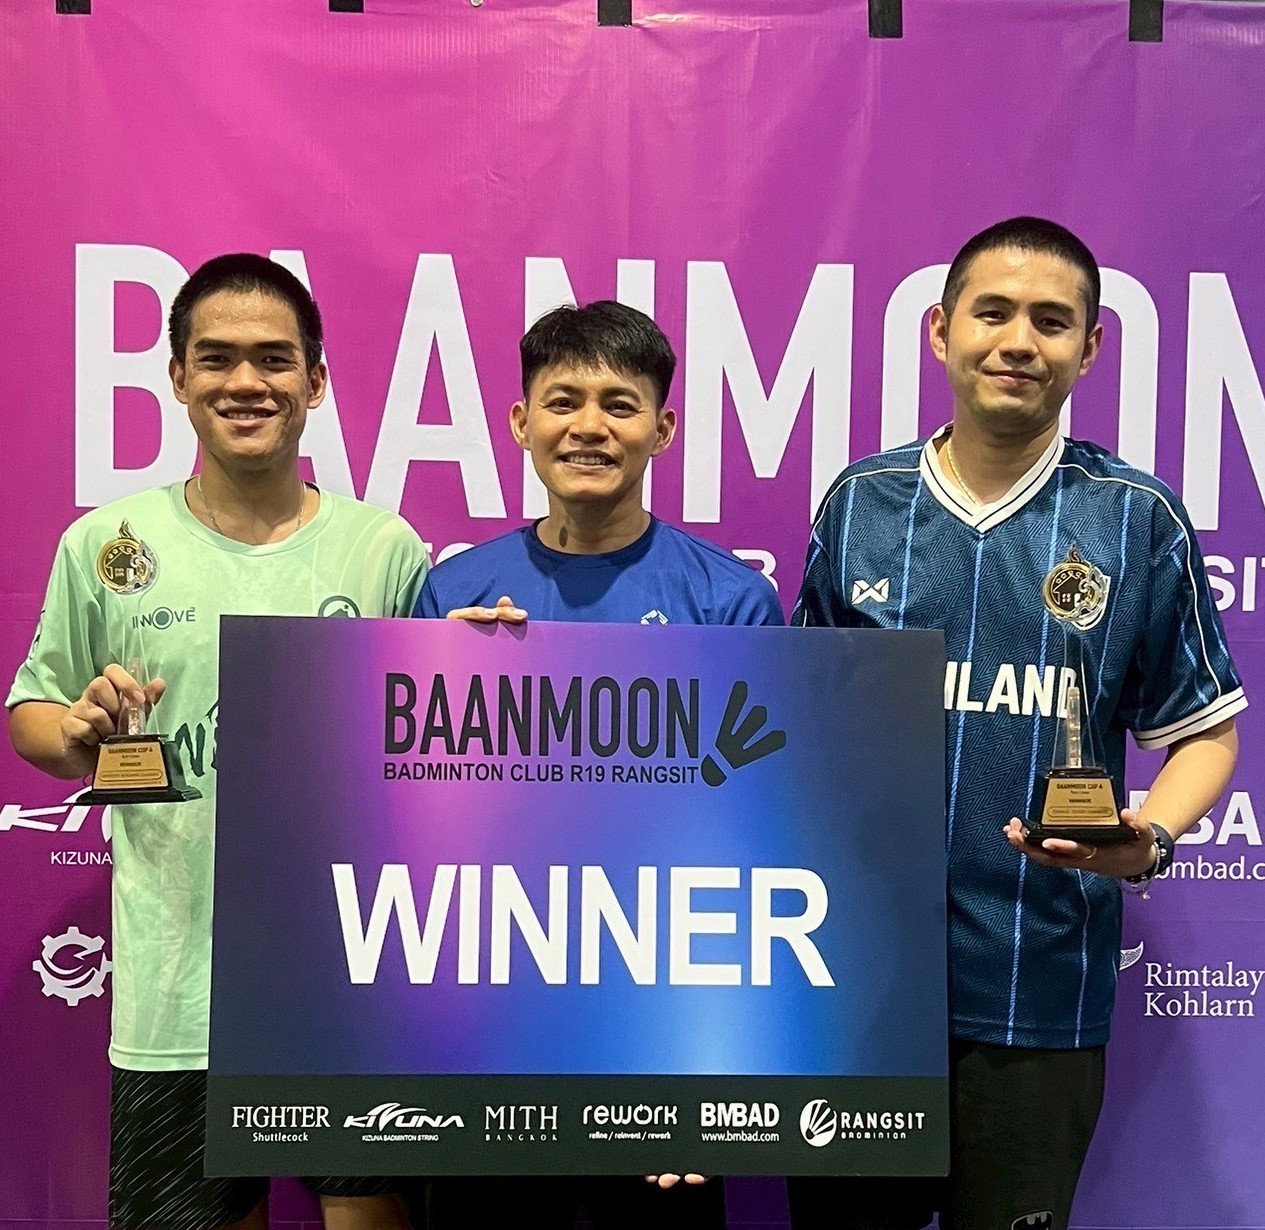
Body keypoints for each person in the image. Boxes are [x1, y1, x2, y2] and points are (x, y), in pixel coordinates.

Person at [789, 217, 1243, 1230]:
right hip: (850, 985)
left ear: (1089, 346)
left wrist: (1148, 839)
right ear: (939, 330)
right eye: (991, 313)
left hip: (1038, 984)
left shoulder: (1134, 516)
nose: (1017, 342)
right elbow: (798, 732)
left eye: (1050, 320)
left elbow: (1205, 732)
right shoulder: (860, 503)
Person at [8, 254, 430, 1230]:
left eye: (274, 359)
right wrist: (77, 734)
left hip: (347, 989)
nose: (246, 382)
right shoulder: (106, 543)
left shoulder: (385, 549)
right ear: (177, 377)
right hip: (175, 997)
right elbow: (33, 713)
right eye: (217, 358)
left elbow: (437, 757)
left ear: (315, 382)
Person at [414, 300, 783, 1230]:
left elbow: (758, 857)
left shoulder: (732, 602)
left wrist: (706, 1081)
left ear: (663, 428)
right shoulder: (452, 594)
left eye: (620, 405)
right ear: (519, 422)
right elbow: (413, 835)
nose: (589, 426)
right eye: (562, 401)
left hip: (659, 1050)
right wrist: (442, 680)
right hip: (489, 1047)